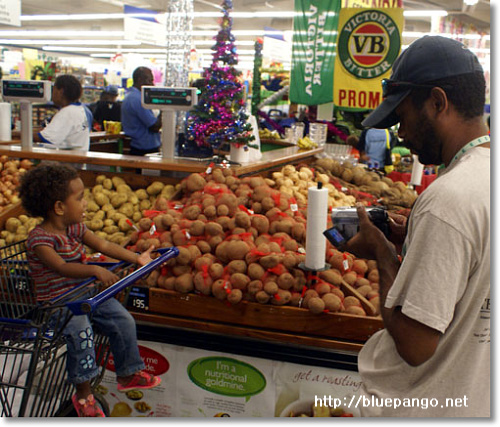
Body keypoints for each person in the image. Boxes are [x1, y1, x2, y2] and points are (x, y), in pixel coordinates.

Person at [344, 36, 490, 417]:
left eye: (403, 117)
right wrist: (413, 237)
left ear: (438, 102)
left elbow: (415, 345)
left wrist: (382, 254)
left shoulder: (448, 199)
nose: (401, 134)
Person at [19, 163, 162, 417]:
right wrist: (94, 270)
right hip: (58, 304)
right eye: (80, 198)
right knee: (82, 333)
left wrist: (136, 257)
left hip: (85, 297)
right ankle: (84, 395)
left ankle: (128, 372)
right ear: (59, 207)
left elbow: (104, 243)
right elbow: (62, 266)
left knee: (123, 319)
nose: (86, 203)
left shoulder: (75, 228)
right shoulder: (39, 240)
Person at [34, 75, 92, 151]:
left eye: (53, 90)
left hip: (67, 160)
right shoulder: (84, 110)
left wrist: (22, 134)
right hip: (79, 158)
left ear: (60, 92)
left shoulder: (67, 112)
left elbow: (44, 138)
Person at [121, 67, 162, 157]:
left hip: (139, 147)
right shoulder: (137, 99)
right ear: (140, 80)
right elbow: (154, 127)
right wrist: (164, 110)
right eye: (150, 80)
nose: (152, 84)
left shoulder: (131, 96)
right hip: (143, 150)